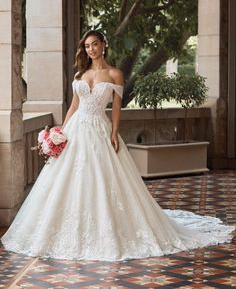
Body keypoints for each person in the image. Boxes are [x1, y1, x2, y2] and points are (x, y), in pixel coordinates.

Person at [1, 30, 235, 261]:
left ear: (104, 44)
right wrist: (60, 131)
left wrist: (114, 132)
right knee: (66, 180)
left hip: (99, 130)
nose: (90, 49)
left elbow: (115, 108)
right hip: (76, 131)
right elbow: (74, 106)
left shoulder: (115, 74)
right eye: (87, 46)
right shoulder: (80, 74)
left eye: (94, 44)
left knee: (104, 179)